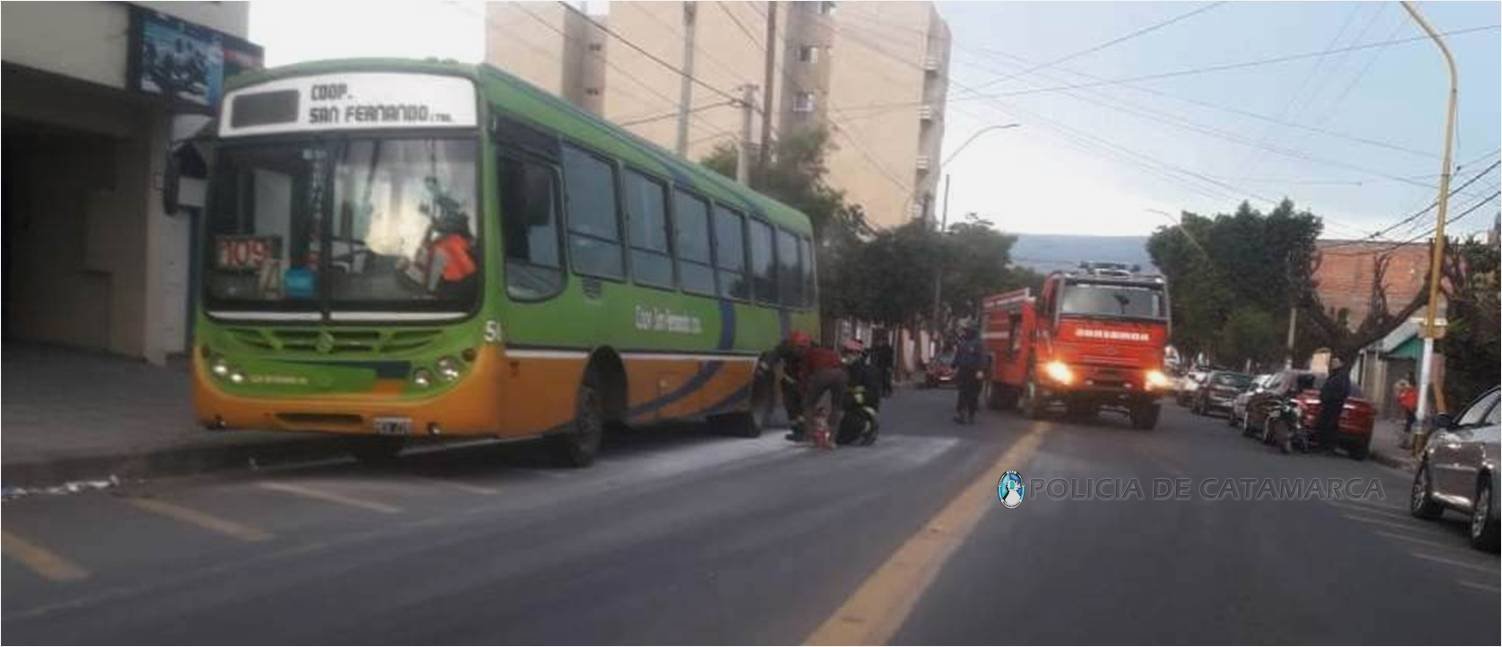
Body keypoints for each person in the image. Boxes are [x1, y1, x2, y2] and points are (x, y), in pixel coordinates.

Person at [1316, 357, 1352, 455]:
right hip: (1327, 404)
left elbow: (1344, 391)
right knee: (1323, 424)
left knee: (1330, 425)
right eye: (1332, 362)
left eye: (1336, 362)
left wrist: (1333, 398)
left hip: (1334, 405)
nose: (1333, 364)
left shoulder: (1342, 376)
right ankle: (1323, 446)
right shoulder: (1333, 375)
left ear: (1341, 363)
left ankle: (1328, 447)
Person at [952, 326, 987, 424]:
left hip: (973, 372)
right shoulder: (963, 343)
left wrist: (980, 370)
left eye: (967, 332)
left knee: (972, 394)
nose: (965, 333)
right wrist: (954, 365)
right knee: (964, 393)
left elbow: (982, 358)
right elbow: (958, 356)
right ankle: (962, 414)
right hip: (964, 371)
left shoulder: (978, 344)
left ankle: (970, 415)